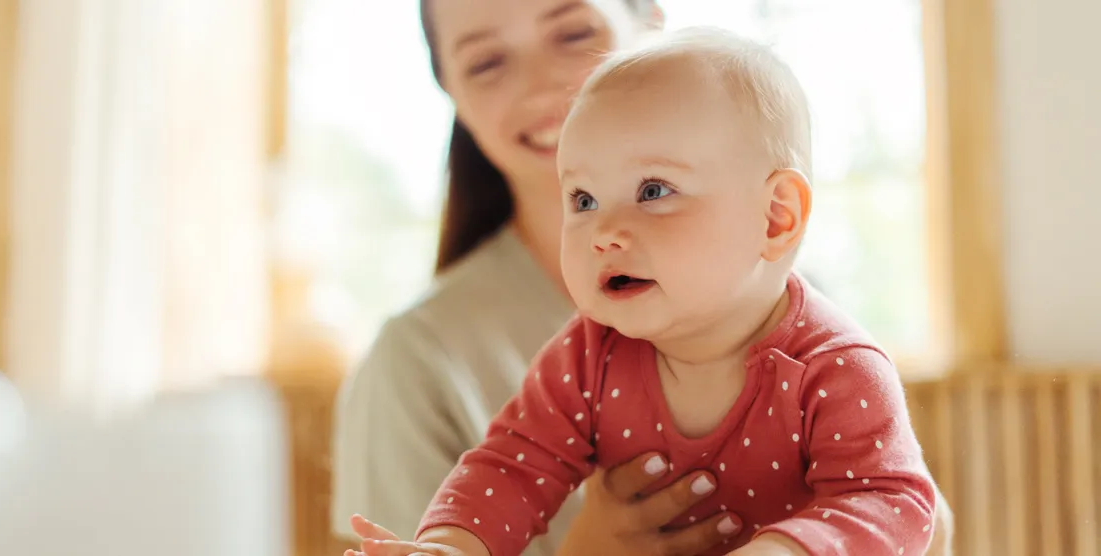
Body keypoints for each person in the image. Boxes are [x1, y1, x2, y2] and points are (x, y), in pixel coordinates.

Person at [329, 1, 954, 555]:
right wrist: (449, 545)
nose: (604, 231)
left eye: (653, 190)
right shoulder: (586, 354)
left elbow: (894, 500)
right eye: (582, 199)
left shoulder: (834, 360)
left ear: (775, 218)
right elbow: (511, 467)